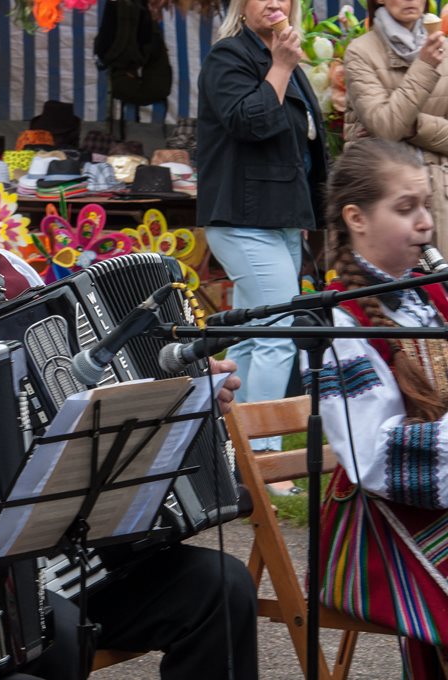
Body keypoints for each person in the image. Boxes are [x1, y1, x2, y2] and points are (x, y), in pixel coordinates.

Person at [0, 85, 259, 680]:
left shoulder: (13, 273)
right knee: (50, 642)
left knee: (220, 586)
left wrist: (184, 389)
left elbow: (81, 388)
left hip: (71, 549)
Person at [309, 137, 448, 678]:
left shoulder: (429, 294)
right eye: (406, 208)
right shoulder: (339, 322)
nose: (425, 224)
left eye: (426, 207)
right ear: (356, 218)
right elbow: (373, 456)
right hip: (382, 520)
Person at [196, 0, 328, 491]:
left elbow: (301, 147)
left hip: (279, 218)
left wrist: (305, 212)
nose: (274, 2)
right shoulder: (228, 56)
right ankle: (267, 460)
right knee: (278, 334)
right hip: (242, 217)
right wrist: (281, 66)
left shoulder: (284, 57)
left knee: (256, 336)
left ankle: (237, 453)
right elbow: (249, 123)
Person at [342, 0, 448, 247]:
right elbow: (387, 128)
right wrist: (425, 65)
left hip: (441, 196)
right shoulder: (360, 51)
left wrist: (411, 126)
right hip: (384, 198)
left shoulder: (444, 50)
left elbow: (390, 123)